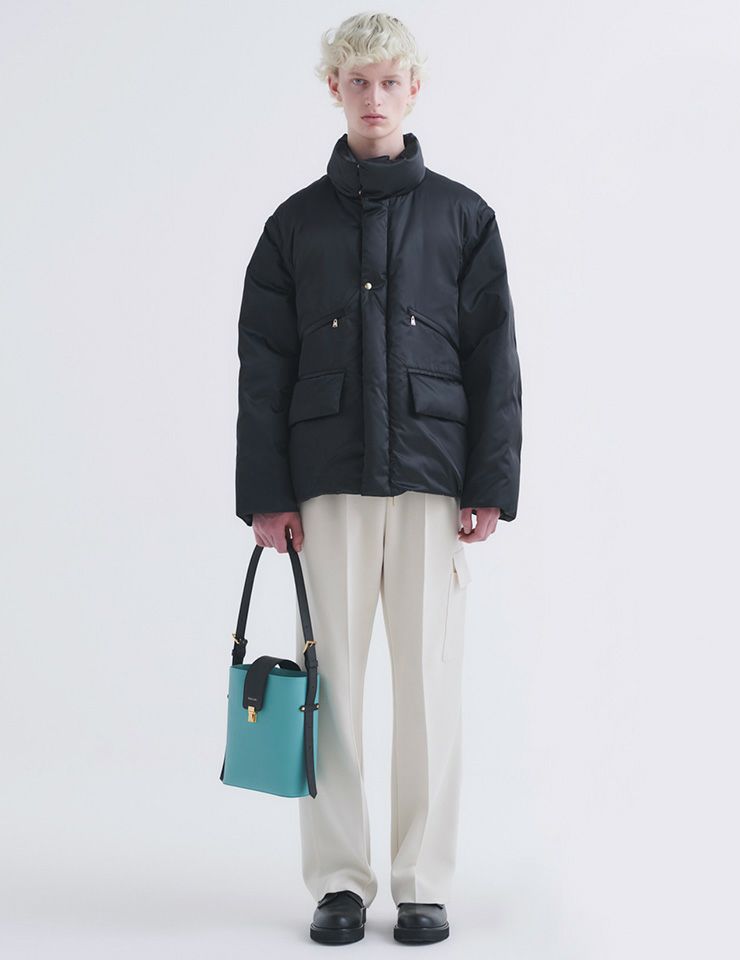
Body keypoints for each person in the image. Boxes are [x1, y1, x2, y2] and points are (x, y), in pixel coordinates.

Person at [234, 12, 522, 946]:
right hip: (325, 483)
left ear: (414, 88)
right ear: (334, 89)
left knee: (429, 685)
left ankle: (423, 881)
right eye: (356, 82)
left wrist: (490, 482)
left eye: (389, 81)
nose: (373, 98)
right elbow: (263, 364)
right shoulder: (293, 225)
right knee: (335, 687)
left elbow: (494, 360)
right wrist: (267, 493)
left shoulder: (464, 217)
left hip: (434, 479)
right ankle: (340, 882)